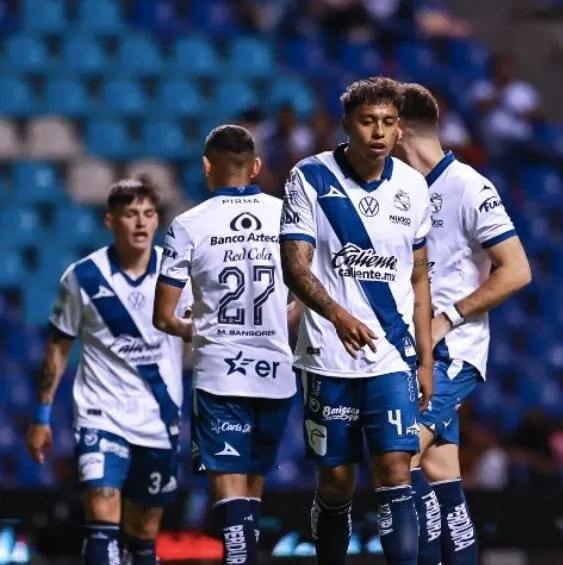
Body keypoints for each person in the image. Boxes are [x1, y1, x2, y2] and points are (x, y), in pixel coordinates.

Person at [278, 76, 434, 565]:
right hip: (328, 356)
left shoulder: (412, 185)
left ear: (400, 130)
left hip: (390, 357)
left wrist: (425, 359)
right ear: (348, 124)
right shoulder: (309, 177)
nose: (379, 132)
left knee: (395, 470)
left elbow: (420, 277)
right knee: (337, 482)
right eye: (368, 122)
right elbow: (295, 265)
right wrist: (338, 315)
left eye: (389, 122)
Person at [393, 82, 532, 565]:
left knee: (398, 460)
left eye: (383, 126)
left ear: (401, 129)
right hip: (413, 353)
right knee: (439, 470)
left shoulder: (468, 186)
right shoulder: (401, 192)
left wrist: (448, 318)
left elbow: (517, 270)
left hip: (452, 350)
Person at [24, 179, 188, 565]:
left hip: (159, 420)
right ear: (110, 221)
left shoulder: (178, 274)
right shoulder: (82, 277)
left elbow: (200, 335)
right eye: (131, 214)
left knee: (144, 533)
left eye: (149, 214)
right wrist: (42, 416)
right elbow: (58, 348)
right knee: (101, 515)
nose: (141, 223)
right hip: (102, 416)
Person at [153, 125, 296, 565]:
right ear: (255, 168)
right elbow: (310, 298)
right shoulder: (288, 216)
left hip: (220, 373)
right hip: (276, 373)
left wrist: (201, 331)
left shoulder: (188, 225)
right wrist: (278, 321)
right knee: (251, 490)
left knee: (229, 490)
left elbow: (163, 316)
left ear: (206, 167)